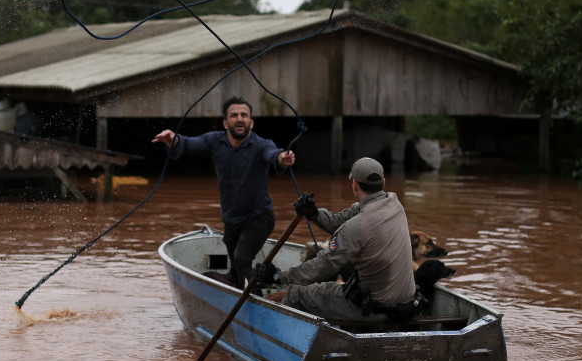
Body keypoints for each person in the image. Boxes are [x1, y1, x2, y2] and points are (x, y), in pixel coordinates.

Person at [255, 157, 420, 323]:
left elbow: (320, 268)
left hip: (376, 308)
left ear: (354, 184)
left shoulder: (357, 226)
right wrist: (314, 214)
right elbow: (340, 221)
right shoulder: (395, 204)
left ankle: (280, 341)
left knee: (295, 293)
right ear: (383, 183)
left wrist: (278, 276)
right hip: (406, 303)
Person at [152, 97, 296, 286]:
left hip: (259, 217)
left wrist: (282, 159)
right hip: (232, 219)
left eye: (244, 115)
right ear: (225, 123)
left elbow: (274, 155)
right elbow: (189, 144)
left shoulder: (261, 144)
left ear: (251, 123)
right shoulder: (214, 140)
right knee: (236, 268)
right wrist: (174, 140)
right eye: (234, 115)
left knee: (241, 258)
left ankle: (255, 300)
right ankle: (238, 289)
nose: (239, 119)